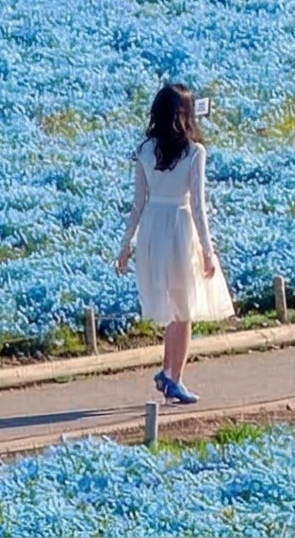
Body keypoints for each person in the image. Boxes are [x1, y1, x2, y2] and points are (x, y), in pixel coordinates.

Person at [115, 83, 234, 404]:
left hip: (153, 227)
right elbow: (198, 205)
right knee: (184, 310)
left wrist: (127, 244)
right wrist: (208, 252)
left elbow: (137, 203)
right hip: (180, 228)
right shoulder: (195, 152)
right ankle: (174, 377)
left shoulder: (144, 149)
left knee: (172, 306)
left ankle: (167, 371)